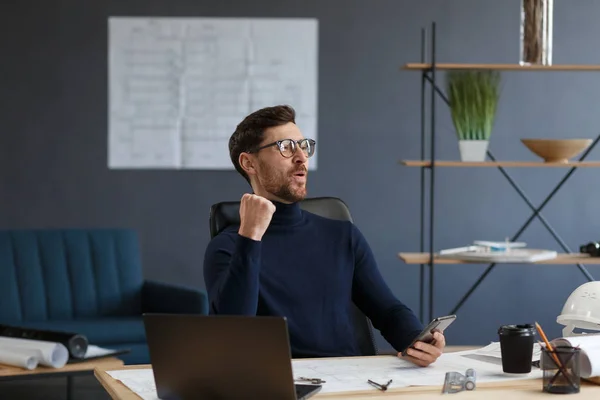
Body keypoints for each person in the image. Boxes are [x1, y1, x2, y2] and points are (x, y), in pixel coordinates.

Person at [203, 105, 445, 366]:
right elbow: (232, 335)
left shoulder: (342, 235)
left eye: (303, 146)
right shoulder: (228, 247)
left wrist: (417, 341)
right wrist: (249, 237)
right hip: (279, 383)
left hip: (349, 380)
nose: (301, 158)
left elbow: (387, 309)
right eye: (285, 147)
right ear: (249, 162)